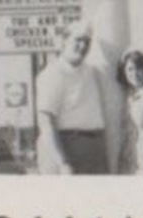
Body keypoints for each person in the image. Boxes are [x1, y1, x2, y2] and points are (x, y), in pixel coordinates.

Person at [36, 20, 108, 174]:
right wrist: (62, 162)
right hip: (67, 147)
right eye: (78, 40)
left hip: (95, 150)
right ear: (64, 41)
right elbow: (46, 121)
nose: (83, 46)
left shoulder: (91, 71)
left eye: (87, 42)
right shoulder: (52, 74)